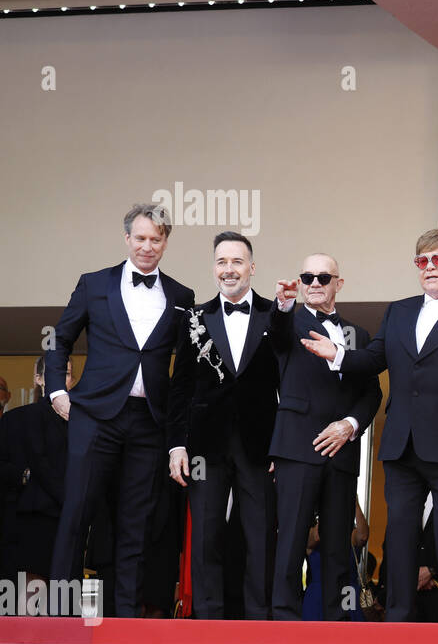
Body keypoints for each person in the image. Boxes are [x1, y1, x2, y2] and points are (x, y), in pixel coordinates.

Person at [302, 227, 438, 622]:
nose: (428, 267)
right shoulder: (399, 310)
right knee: (399, 534)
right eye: (421, 261)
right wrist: (339, 355)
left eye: (437, 260)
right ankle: (396, 620)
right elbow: (375, 358)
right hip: (403, 443)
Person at [46, 202, 196, 617]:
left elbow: (184, 373)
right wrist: (58, 391)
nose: (148, 246)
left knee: (136, 524)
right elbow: (60, 339)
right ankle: (60, 614)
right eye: (141, 238)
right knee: (78, 511)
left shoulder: (183, 296)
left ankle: (126, 617)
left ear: (166, 242)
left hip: (149, 422)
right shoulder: (93, 284)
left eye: (157, 239)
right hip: (95, 416)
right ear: (127, 238)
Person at [166, 231, 287, 620]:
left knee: (260, 536)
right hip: (205, 446)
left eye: (237, 261)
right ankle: (207, 622)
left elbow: (291, 385)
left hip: (261, 446)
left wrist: (283, 445)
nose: (229, 269)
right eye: (222, 262)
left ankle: (259, 621)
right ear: (213, 268)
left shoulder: (277, 314)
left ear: (252, 268)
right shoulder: (193, 318)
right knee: (205, 537)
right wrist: (176, 445)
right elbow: (180, 386)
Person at [268, 254, 381, 621]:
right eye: (307, 277)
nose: (314, 283)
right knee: (291, 541)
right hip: (297, 449)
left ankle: (334, 627)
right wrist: (283, 306)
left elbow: (372, 394)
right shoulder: (289, 322)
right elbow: (279, 334)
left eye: (323, 277)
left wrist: (350, 424)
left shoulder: (358, 335)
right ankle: (284, 621)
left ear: (338, 284)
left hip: (342, 453)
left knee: (337, 546)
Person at [0, 357, 75, 586]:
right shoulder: (16, 419)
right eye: (55, 371)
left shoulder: (81, 423)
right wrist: (25, 476)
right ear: (38, 378)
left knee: (66, 602)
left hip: (68, 522)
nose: (62, 378)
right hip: (30, 520)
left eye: (68, 373)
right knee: (31, 597)